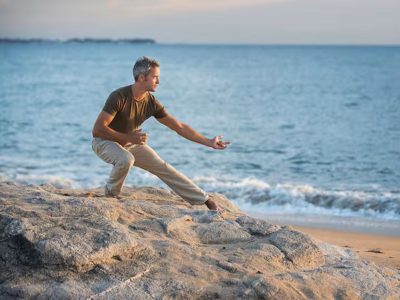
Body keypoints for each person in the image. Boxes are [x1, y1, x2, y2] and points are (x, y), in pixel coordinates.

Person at [92, 56, 230, 211]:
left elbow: (179, 127)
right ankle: (111, 195)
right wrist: (129, 137)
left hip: (130, 143)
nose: (158, 81)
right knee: (126, 159)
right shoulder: (119, 97)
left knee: (163, 166)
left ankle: (204, 199)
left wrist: (208, 142)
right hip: (104, 142)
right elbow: (97, 130)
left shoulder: (151, 102)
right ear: (142, 78)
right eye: (155, 77)